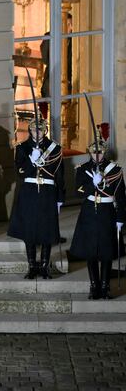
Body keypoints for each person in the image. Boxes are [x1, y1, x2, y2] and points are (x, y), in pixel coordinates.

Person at [70, 123, 125, 300]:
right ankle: (94, 286)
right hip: (89, 212)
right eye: (94, 152)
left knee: (107, 252)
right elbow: (77, 190)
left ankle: (105, 287)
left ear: (104, 152)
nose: (97, 155)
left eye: (100, 151)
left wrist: (120, 218)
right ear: (89, 152)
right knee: (90, 252)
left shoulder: (115, 170)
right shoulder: (83, 169)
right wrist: (91, 184)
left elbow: (122, 196)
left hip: (107, 212)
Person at [7, 118, 64, 279]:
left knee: (46, 230)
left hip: (48, 192)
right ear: (30, 130)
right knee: (29, 230)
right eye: (33, 130)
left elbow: (60, 176)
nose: (37, 133)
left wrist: (60, 198)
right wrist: (32, 162)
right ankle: (32, 265)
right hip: (29, 192)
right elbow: (19, 172)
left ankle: (45, 266)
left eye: (40, 130)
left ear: (45, 130)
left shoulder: (55, 149)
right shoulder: (22, 148)